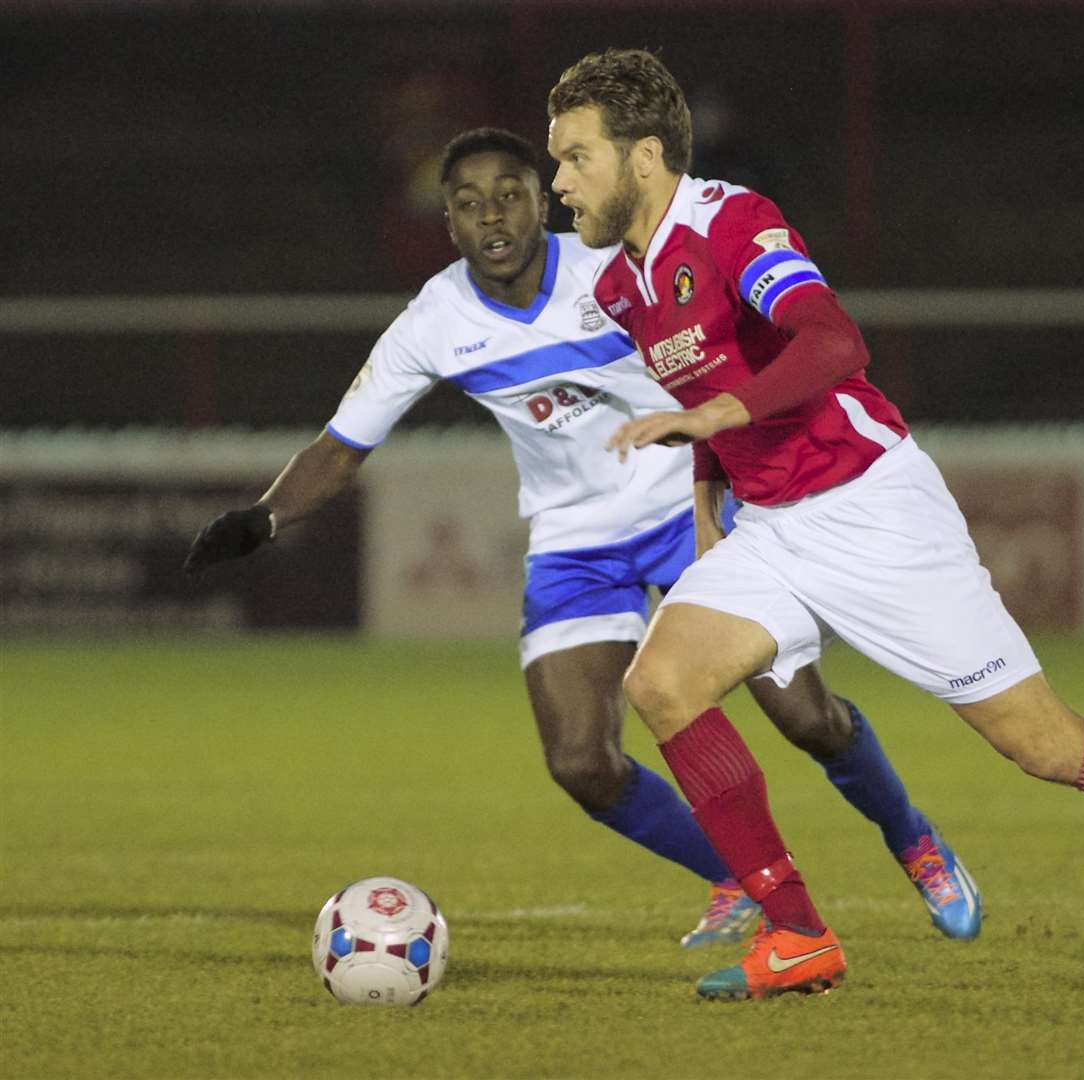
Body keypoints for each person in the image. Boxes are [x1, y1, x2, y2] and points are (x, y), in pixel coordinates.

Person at [545, 49, 1084, 1001]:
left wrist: (716, 421)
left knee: (1045, 746)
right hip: (774, 530)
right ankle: (796, 934)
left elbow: (834, 342)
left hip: (873, 509)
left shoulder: (730, 223)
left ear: (643, 157)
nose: (557, 184)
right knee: (663, 684)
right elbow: (704, 388)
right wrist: (709, 508)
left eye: (575, 158)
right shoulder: (621, 286)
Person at [182, 127, 981, 951]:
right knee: (581, 764)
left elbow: (733, 351)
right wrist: (263, 518)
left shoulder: (611, 271)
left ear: (543, 199)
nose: (491, 216)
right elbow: (341, 446)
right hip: (575, 542)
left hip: (687, 510)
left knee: (805, 715)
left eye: (509, 194)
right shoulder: (435, 319)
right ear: (448, 225)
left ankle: (912, 838)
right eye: (467, 204)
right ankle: (739, 878)